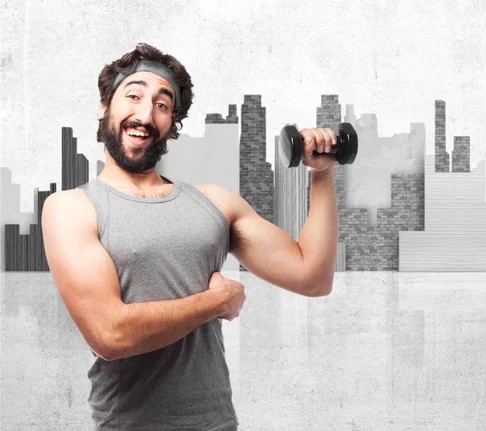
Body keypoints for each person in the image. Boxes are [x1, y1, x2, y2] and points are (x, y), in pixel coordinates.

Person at [41, 43, 339, 430]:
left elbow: (313, 277)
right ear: (105, 106)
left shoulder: (215, 203)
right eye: (133, 95)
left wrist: (323, 174)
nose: (146, 114)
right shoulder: (72, 207)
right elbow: (109, 333)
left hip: (217, 423)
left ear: (172, 124)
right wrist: (215, 302)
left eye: (162, 105)